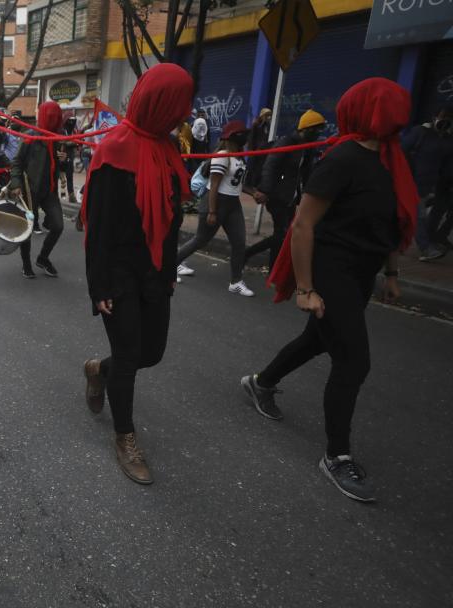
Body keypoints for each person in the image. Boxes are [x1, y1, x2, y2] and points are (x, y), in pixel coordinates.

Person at [243, 77, 418, 503]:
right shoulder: (342, 158)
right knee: (354, 360)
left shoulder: (393, 160)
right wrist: (305, 288)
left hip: (362, 271)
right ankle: (337, 456)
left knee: (317, 340)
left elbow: (391, 223)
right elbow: (303, 225)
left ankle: (260, 382)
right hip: (331, 269)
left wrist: (391, 273)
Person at [80, 64, 193, 484]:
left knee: (152, 352)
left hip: (154, 272)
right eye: (181, 103)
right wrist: (100, 285)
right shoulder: (114, 150)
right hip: (119, 273)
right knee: (129, 356)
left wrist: (167, 271)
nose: (187, 112)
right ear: (162, 103)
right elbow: (99, 225)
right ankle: (125, 437)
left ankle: (98, 369)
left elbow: (170, 218)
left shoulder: (168, 149)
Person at [176, 120, 257, 296]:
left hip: (233, 204)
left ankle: (235, 281)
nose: (246, 137)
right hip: (216, 202)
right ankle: (171, 266)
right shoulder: (223, 155)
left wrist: (253, 193)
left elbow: (235, 184)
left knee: (239, 243)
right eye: (243, 134)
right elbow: (214, 185)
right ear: (235, 137)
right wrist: (212, 212)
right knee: (200, 239)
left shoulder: (238, 156)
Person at [244, 110, 325, 269]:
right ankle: (246, 254)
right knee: (284, 234)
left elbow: (305, 173)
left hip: (290, 197)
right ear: (306, 129)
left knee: (281, 234)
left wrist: (306, 195)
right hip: (277, 196)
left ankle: (273, 269)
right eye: (316, 130)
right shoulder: (287, 143)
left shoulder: (307, 148)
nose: (318, 134)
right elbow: (270, 166)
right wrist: (265, 191)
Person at [9, 102, 66, 279]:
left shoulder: (59, 137)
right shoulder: (29, 137)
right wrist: (17, 184)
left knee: (58, 225)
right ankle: (26, 263)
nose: (52, 120)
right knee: (27, 230)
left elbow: (59, 163)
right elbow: (16, 163)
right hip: (29, 191)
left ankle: (43, 258)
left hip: (49, 191)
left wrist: (64, 159)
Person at [402, 106, 453, 261]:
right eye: (443, 117)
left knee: (412, 215)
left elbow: (447, 165)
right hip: (410, 181)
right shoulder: (420, 133)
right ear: (434, 117)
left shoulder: (448, 140)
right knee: (419, 215)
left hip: (430, 185)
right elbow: (401, 151)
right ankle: (426, 248)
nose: (445, 122)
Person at [246, 108, 273, 188]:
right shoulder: (256, 124)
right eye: (267, 115)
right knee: (252, 167)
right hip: (256, 151)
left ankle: (256, 183)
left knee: (260, 168)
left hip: (263, 151)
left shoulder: (268, 125)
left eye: (269, 116)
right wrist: (252, 150)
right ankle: (249, 183)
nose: (269, 117)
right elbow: (251, 138)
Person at [58, 117, 79, 204]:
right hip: (62, 156)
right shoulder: (62, 131)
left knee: (69, 177)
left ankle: (71, 196)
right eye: (69, 120)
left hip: (70, 157)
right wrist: (73, 142)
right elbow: (62, 142)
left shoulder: (74, 131)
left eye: (73, 121)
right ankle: (61, 195)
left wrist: (76, 143)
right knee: (61, 178)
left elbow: (76, 143)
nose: (71, 122)